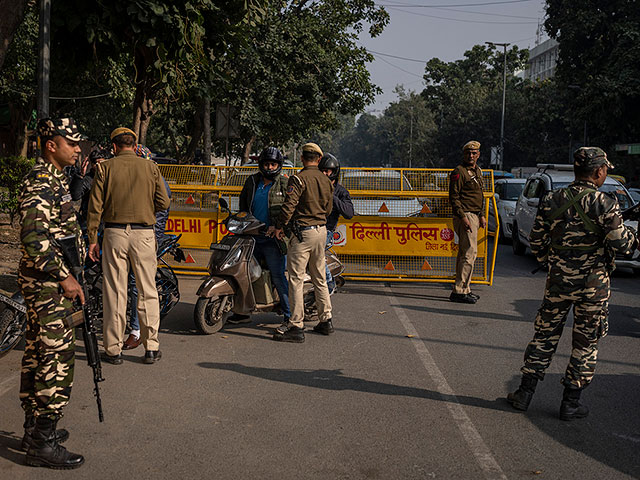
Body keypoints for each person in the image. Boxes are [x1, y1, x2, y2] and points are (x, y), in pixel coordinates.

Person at [507, 147, 638, 421]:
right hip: (594, 287)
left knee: (544, 336)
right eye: (605, 170)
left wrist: (553, 263)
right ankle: (570, 402)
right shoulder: (605, 203)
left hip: (558, 283)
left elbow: (537, 242)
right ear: (599, 171)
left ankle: (524, 393)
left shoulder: (553, 199)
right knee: (586, 343)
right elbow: (623, 245)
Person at [18, 118, 86, 469]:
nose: (77, 148)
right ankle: (42, 443)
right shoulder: (41, 181)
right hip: (46, 284)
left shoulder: (56, 178)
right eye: (71, 143)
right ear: (50, 145)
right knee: (55, 359)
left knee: (37, 353)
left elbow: (60, 230)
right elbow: (33, 237)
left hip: (48, 282)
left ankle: (35, 430)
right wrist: (65, 278)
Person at [87, 127, 170, 365]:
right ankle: (151, 347)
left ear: (113, 147)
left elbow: (95, 208)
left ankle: (113, 350)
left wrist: (93, 239)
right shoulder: (150, 167)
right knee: (147, 290)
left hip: (114, 234)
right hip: (144, 234)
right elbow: (163, 201)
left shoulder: (105, 168)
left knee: (115, 291)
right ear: (134, 146)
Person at [271, 143, 334, 343]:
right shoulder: (326, 180)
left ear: (303, 159)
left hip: (303, 233)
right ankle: (326, 320)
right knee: (319, 277)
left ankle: (296, 326)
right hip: (321, 231)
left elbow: (289, 207)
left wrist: (279, 226)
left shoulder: (297, 179)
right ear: (318, 159)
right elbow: (329, 208)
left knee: (296, 280)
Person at [227, 146, 291, 326]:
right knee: (242, 273)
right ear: (261, 164)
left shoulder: (285, 183)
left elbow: (291, 211)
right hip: (252, 238)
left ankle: (289, 316)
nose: (269, 167)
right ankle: (242, 312)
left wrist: (278, 227)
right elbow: (243, 208)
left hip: (273, 240)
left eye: (273, 164)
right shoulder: (252, 182)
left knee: (278, 276)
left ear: (278, 165)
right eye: (266, 163)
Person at [123, 144, 172, 350]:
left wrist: (154, 239)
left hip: (146, 238)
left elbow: (162, 212)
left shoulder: (154, 179)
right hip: (123, 237)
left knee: (138, 286)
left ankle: (137, 331)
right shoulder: (126, 179)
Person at [448, 140, 486, 304]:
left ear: (478, 154)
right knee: (469, 254)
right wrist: (463, 217)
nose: (471, 156)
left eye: (474, 153)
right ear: (464, 155)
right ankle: (460, 291)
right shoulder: (459, 171)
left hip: (474, 215)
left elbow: (481, 194)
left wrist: (482, 215)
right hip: (466, 215)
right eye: (468, 153)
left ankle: (465, 288)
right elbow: (454, 197)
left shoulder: (478, 171)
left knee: (466, 253)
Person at [319, 153, 354, 292]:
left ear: (334, 172)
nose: (324, 174)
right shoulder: (316, 187)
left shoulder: (340, 192)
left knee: (316, 255)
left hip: (326, 231)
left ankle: (329, 284)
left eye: (327, 171)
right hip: (309, 227)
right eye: (322, 171)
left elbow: (349, 213)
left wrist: (332, 196)